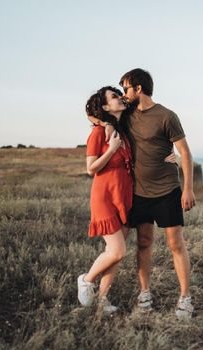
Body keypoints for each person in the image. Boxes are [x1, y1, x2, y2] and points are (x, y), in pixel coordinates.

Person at [96, 68, 196, 319]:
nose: (123, 93)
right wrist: (104, 123)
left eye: (126, 88)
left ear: (139, 88)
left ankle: (185, 298)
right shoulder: (126, 115)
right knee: (144, 243)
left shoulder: (167, 116)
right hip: (139, 193)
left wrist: (188, 189)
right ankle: (145, 293)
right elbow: (95, 112)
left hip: (167, 191)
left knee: (175, 244)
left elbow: (185, 152)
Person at [77, 86, 133, 315]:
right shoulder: (99, 134)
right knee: (117, 251)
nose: (119, 97)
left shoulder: (122, 129)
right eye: (113, 96)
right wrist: (111, 150)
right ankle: (86, 280)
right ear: (105, 107)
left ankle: (102, 300)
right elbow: (91, 168)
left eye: (119, 94)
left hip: (124, 195)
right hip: (105, 196)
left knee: (115, 255)